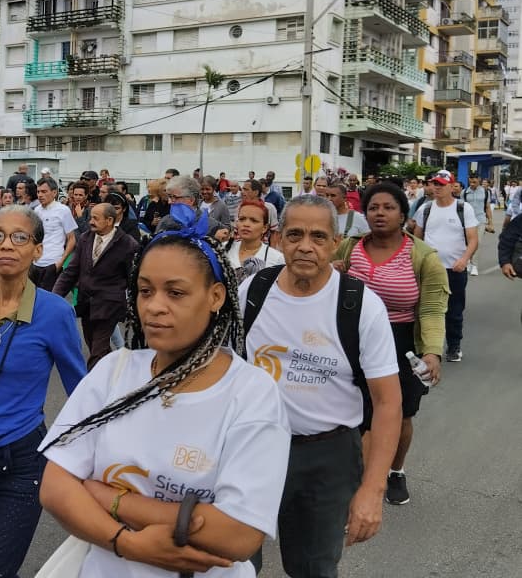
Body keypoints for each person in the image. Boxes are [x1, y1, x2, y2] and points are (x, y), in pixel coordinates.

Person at [39, 210, 291, 576]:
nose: (155, 306)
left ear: (216, 296)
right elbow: (55, 488)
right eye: (145, 291)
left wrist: (105, 496)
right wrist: (128, 544)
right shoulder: (114, 371)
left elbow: (237, 535)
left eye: (175, 292)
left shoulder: (251, 394)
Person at [240, 195, 400, 578]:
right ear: (277, 239)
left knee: (313, 567)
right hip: (251, 447)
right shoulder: (253, 291)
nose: (305, 246)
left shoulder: (361, 306)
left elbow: (388, 403)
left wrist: (372, 490)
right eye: (295, 234)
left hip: (326, 457)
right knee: (233, 561)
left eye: (317, 236)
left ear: (334, 243)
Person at [0, 205, 87, 577]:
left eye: (20, 237)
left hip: (23, 464)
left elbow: (83, 392)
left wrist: (84, 460)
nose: (7, 245)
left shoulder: (55, 312)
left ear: (37, 251)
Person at [333, 182, 448, 506]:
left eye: (388, 207)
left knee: (401, 414)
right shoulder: (348, 248)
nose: (380, 213)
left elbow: (431, 309)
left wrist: (432, 352)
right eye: (373, 208)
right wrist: (332, 269)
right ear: (364, 213)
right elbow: (322, 284)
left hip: (401, 342)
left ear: (402, 213)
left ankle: (395, 470)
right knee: (355, 413)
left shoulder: (423, 257)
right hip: (352, 341)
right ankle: (356, 480)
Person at [54, 203, 140, 369]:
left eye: (95, 218)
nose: (90, 221)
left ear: (109, 220)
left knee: (97, 352)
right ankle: (117, 374)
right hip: (86, 304)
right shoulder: (85, 238)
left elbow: (133, 279)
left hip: (110, 306)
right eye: (90, 217)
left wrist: (135, 305)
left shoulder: (127, 244)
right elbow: (71, 272)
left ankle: (91, 388)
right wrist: (54, 297)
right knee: (95, 346)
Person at [412, 170, 477, 362]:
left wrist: (464, 259)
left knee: (454, 311)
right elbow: (416, 238)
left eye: (441, 184)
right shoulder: (426, 209)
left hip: (454, 270)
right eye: (434, 184)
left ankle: (454, 345)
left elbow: (473, 239)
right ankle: (427, 347)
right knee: (425, 309)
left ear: (451, 186)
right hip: (430, 270)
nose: (437, 188)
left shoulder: (463, 208)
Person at [30, 178, 78, 291]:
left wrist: (61, 262)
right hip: (35, 263)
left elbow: (71, 239)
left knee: (49, 299)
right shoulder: (36, 210)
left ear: (54, 192)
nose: (40, 195)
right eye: (38, 192)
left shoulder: (63, 210)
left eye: (44, 191)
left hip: (52, 262)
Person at [225, 199, 285, 275]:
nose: (246, 224)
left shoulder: (276, 259)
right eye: (242, 219)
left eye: (253, 220)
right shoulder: (223, 248)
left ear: (265, 228)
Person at [461, 174, 495, 275]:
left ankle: (474, 265)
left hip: (480, 220)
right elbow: (462, 208)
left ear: (479, 180)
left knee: (477, 243)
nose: (472, 181)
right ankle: (468, 261)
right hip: (468, 221)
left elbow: (487, 207)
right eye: (470, 179)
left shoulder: (485, 191)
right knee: (468, 243)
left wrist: (490, 222)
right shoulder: (465, 192)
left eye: (474, 179)